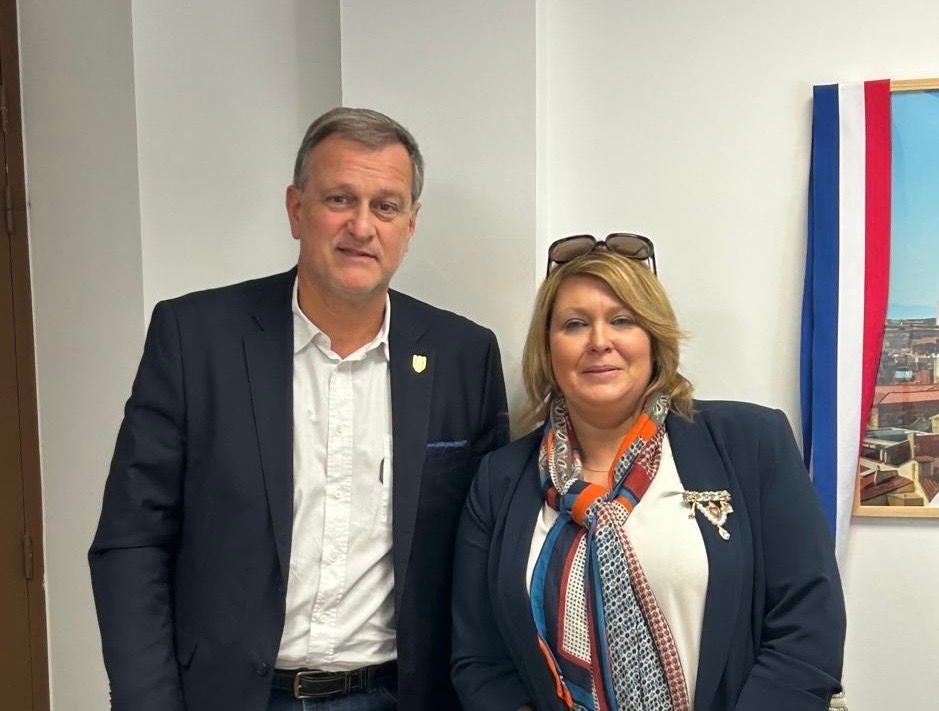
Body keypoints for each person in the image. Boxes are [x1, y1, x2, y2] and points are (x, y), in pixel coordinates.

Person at [89, 107, 509, 710]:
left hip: (397, 696)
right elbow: (132, 542)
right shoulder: (195, 339)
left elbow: (482, 556)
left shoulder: (463, 356)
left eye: (386, 206)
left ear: (410, 225)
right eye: (340, 199)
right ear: (296, 209)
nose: (362, 226)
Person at [451, 234, 845, 711]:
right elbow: (481, 659)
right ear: (547, 350)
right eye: (575, 324)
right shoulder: (500, 480)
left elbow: (807, 627)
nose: (600, 342)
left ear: (655, 339)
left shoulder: (752, 443)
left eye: (623, 320)